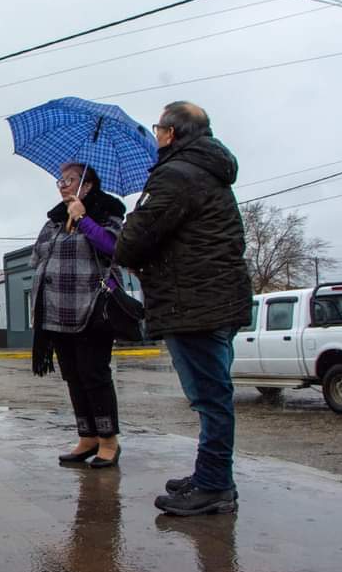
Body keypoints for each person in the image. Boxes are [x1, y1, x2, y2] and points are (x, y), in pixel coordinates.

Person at [114, 101, 252, 516]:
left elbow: (131, 242)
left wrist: (136, 227)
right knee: (213, 395)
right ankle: (211, 474)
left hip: (195, 304)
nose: (155, 136)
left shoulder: (176, 174)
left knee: (210, 398)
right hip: (215, 301)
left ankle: (214, 485)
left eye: (158, 129)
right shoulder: (209, 172)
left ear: (171, 134)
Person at [29, 163, 126, 468]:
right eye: (60, 181)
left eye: (69, 180)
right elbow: (36, 256)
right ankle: (88, 436)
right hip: (56, 311)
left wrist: (83, 219)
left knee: (94, 375)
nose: (62, 185)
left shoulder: (107, 214)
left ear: (87, 185)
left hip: (91, 309)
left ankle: (109, 441)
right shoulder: (55, 220)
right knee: (73, 376)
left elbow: (113, 246)